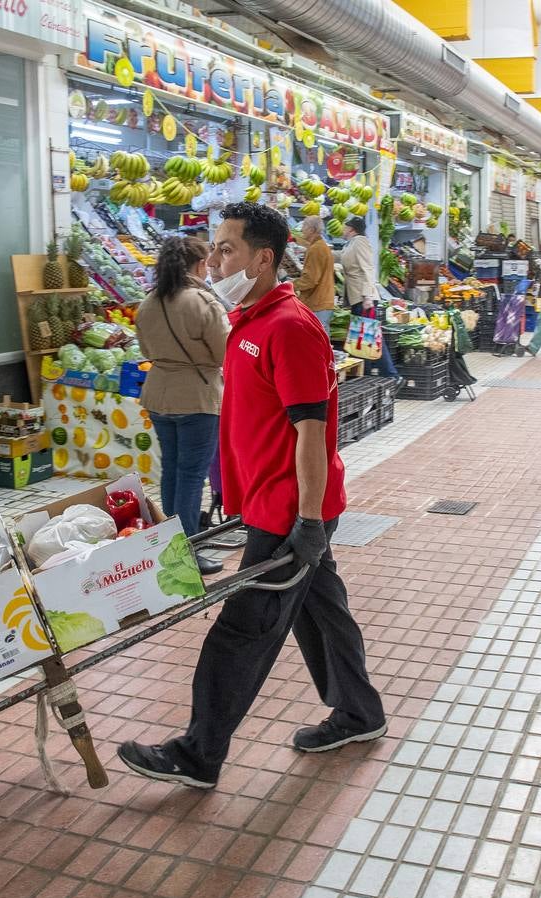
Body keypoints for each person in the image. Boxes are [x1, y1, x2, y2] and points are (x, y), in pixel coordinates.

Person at [117, 202, 386, 789]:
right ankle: (359, 712)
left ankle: (198, 752)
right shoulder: (247, 320)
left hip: (289, 511)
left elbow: (312, 432)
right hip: (270, 502)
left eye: (227, 250)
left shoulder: (289, 327)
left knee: (243, 629)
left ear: (263, 258)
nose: (214, 261)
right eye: (213, 249)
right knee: (321, 613)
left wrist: (309, 521)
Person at [136, 236, 230, 574]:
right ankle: (188, 550)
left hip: (158, 393)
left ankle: (170, 545)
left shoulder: (148, 303)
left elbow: (146, 351)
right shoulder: (203, 302)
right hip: (198, 396)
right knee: (191, 477)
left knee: (172, 473)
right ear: (200, 264)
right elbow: (224, 351)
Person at [340, 218, 399, 380]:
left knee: (370, 336)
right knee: (363, 337)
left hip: (363, 297)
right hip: (356, 297)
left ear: (351, 229)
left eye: (345, 227)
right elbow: (342, 259)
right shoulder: (350, 243)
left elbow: (368, 268)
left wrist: (367, 296)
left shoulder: (360, 242)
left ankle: (392, 375)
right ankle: (365, 373)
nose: (342, 230)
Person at [293, 215, 336, 330]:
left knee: (315, 342)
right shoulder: (320, 245)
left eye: (304, 226)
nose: (302, 229)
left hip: (317, 304)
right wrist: (294, 238)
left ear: (312, 230)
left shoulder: (316, 249)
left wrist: (291, 285)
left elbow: (310, 280)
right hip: (323, 302)